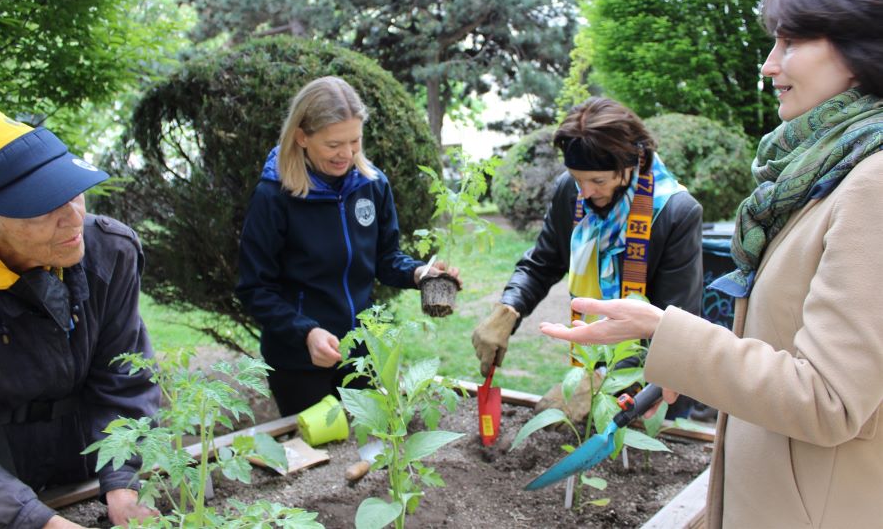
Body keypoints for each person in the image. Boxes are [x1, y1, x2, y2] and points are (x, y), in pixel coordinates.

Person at [540, 0, 883, 528]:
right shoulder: (826, 171)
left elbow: (828, 398)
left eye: (791, 42)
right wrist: (693, 361)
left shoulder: (872, 185)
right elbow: (787, 338)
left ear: (861, 50)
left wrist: (664, 332)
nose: (769, 63)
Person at [237, 76, 458, 416]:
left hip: (362, 354)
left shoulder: (372, 185)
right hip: (300, 360)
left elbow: (385, 258)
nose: (347, 154)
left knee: (369, 440)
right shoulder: (274, 196)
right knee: (318, 447)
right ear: (302, 137)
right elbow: (255, 288)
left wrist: (419, 273)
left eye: (355, 141)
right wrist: (306, 332)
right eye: (333, 144)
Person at [472, 96, 703, 421]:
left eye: (598, 181)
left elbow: (674, 326)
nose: (585, 192)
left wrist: (602, 386)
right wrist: (509, 307)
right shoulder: (571, 192)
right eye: (577, 178)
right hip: (589, 372)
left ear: (632, 164)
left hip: (654, 395)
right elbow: (543, 262)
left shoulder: (674, 212)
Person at [0, 105, 159, 528]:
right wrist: (37, 520)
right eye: (43, 208)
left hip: (80, 458)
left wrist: (122, 481)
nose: (74, 217)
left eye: (72, 191)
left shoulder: (109, 252)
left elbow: (123, 377)